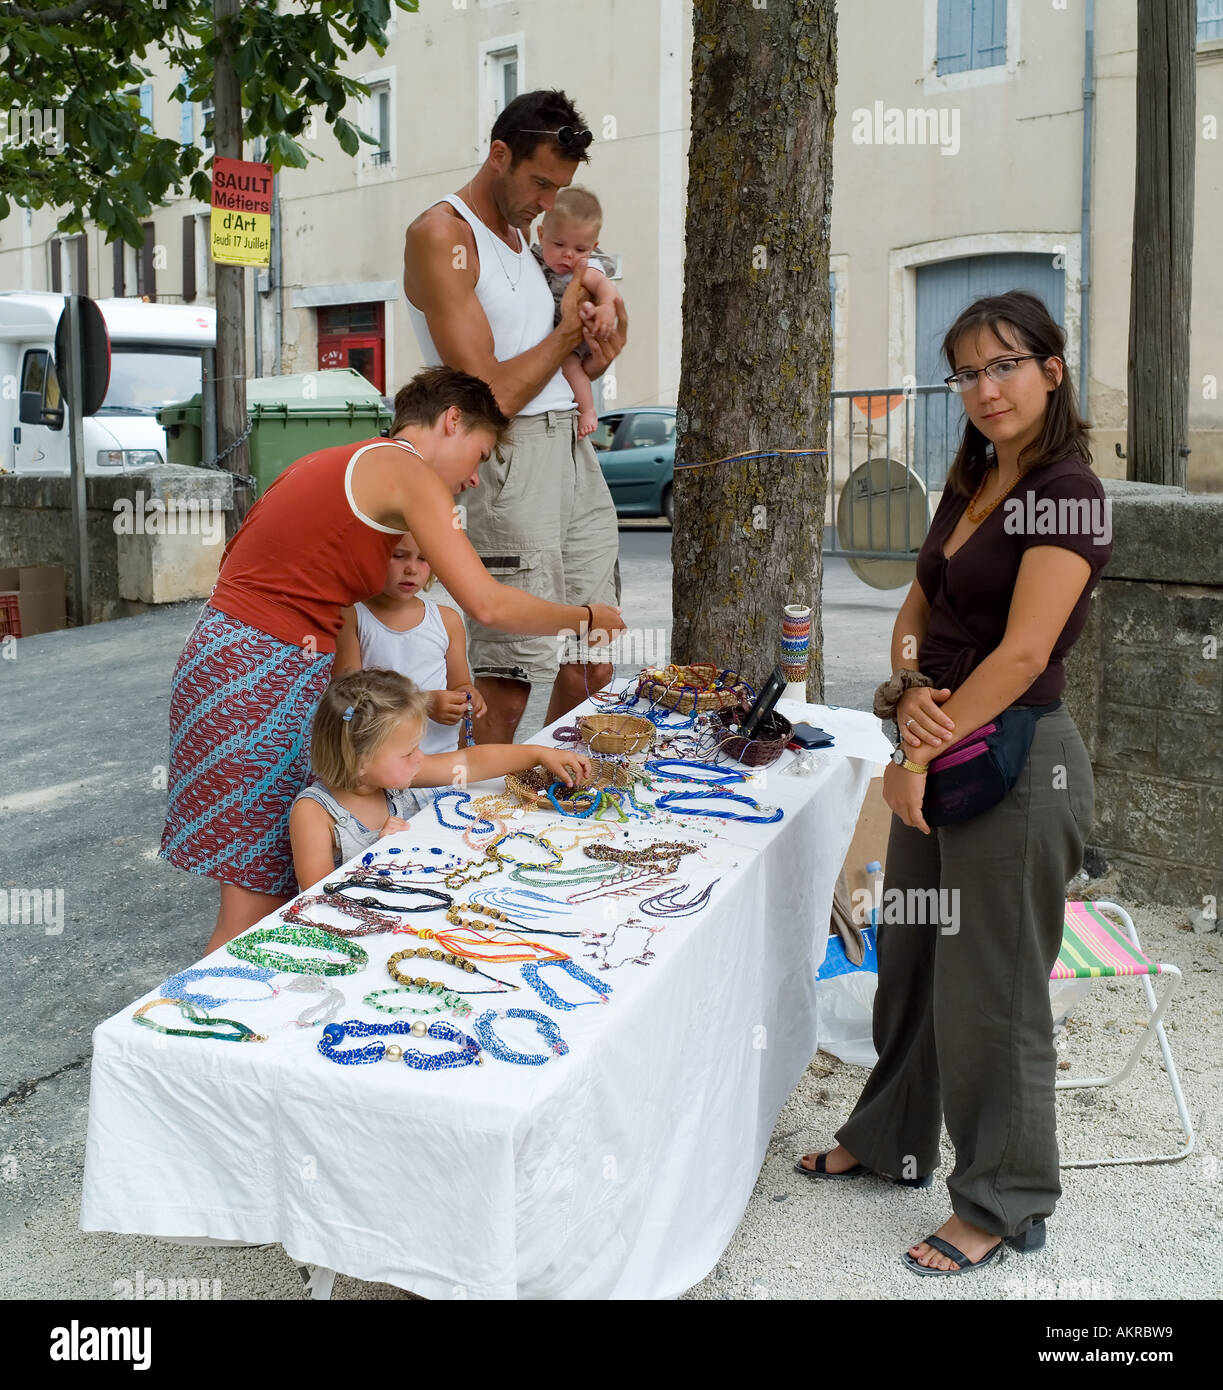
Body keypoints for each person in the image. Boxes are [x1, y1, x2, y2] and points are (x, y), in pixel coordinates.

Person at [796, 291, 1112, 1277]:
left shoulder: (1065, 491)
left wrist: (917, 748)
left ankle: (1001, 1199)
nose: (984, 388)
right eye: (966, 373)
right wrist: (906, 689)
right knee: (912, 962)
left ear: (1049, 369)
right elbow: (914, 605)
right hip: (941, 739)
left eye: (1003, 365)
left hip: (1016, 770)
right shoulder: (973, 474)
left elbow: (1022, 655)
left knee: (990, 994)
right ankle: (890, 1135)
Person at [159, 365, 624, 952]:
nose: (475, 480)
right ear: (451, 421)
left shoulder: (350, 460)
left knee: (271, 888)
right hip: (259, 668)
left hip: (235, 656)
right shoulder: (406, 471)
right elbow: (486, 602)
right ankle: (204, 1030)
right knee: (255, 912)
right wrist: (582, 616)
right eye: (478, 455)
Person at [404, 88, 628, 745]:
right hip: (506, 454)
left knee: (594, 648)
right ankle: (472, 827)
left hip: (570, 451)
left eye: (559, 187)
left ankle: (560, 792)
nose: (548, 203)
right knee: (508, 676)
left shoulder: (526, 237)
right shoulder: (442, 234)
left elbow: (561, 346)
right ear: (498, 154)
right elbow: (487, 397)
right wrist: (565, 337)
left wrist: (602, 343)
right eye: (539, 183)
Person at [288, 668, 590, 889]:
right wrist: (374, 854)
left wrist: (537, 754)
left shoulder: (389, 777)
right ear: (360, 761)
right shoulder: (314, 814)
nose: (419, 757)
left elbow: (468, 761)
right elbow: (316, 901)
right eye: (408, 752)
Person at [333, 533, 485, 755]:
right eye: (398, 555)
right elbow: (349, 696)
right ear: (367, 557)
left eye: (423, 558)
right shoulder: (352, 617)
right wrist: (423, 702)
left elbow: (460, 683)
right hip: (377, 760)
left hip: (440, 760)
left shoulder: (447, 620)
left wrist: (468, 696)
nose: (411, 569)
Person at [530, 186, 620, 438]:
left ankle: (588, 410)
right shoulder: (533, 261)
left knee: (570, 364)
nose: (569, 255)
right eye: (559, 244)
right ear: (541, 234)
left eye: (580, 249)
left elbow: (605, 287)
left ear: (594, 246)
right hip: (554, 335)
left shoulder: (587, 268)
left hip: (577, 336)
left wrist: (605, 308)